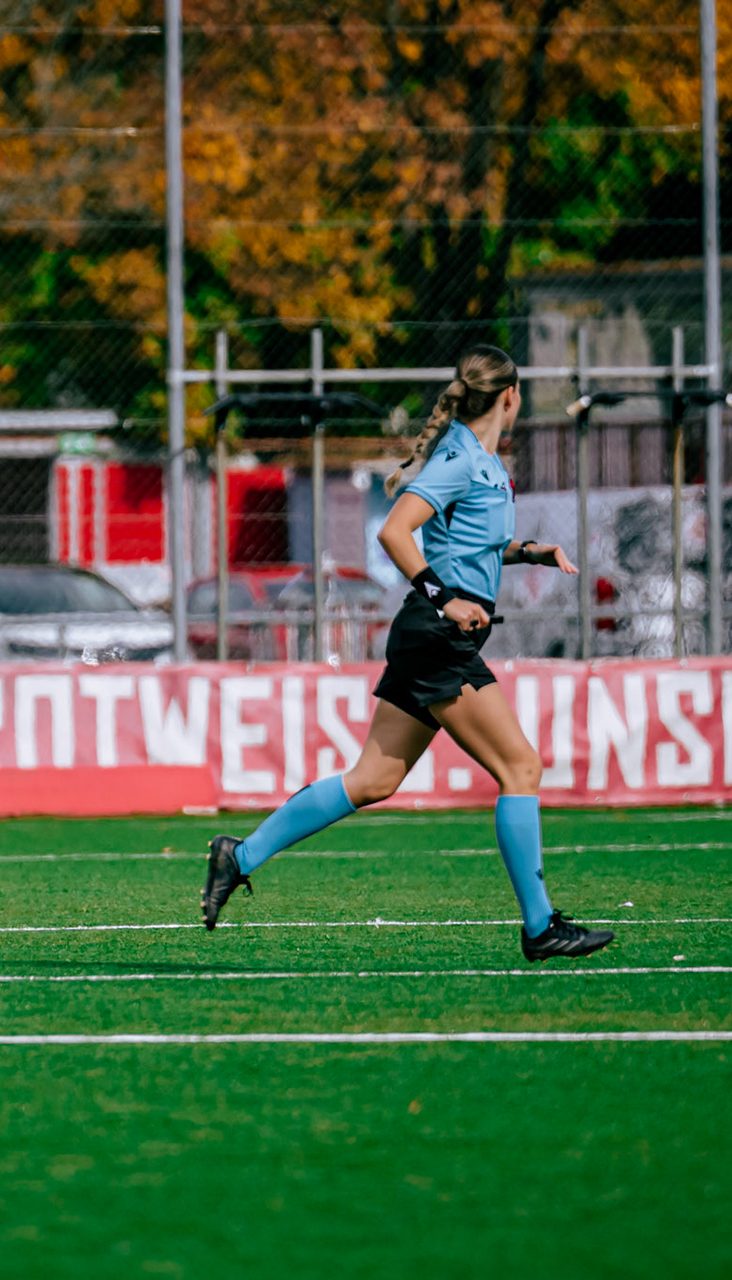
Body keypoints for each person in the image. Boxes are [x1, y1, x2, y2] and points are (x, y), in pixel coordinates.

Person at [201, 344, 615, 963]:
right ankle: (540, 927)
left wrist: (530, 551)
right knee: (520, 768)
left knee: (373, 779)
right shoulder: (460, 459)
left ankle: (241, 855)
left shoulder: (479, 460)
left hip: (436, 632)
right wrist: (445, 598)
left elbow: (472, 546)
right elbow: (394, 531)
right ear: (512, 397)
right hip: (438, 634)